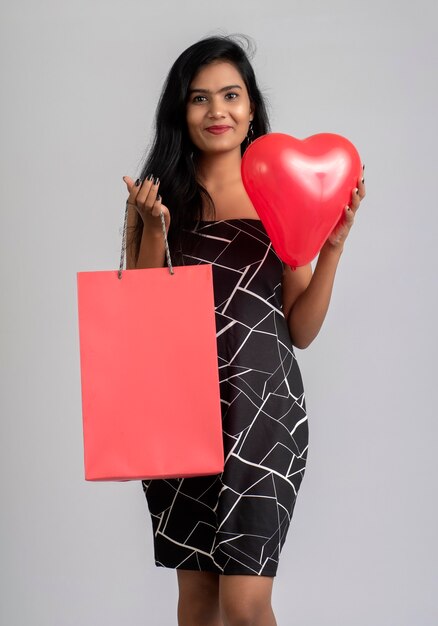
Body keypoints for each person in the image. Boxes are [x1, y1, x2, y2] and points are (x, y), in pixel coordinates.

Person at [122, 34, 365, 626]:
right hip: (182, 415)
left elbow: (300, 331)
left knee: (247, 604)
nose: (217, 112)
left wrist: (332, 247)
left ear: (251, 105)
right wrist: (155, 229)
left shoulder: (282, 187)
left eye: (230, 96)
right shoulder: (158, 196)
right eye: (199, 99)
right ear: (181, 110)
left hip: (265, 412)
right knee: (197, 601)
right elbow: (141, 323)